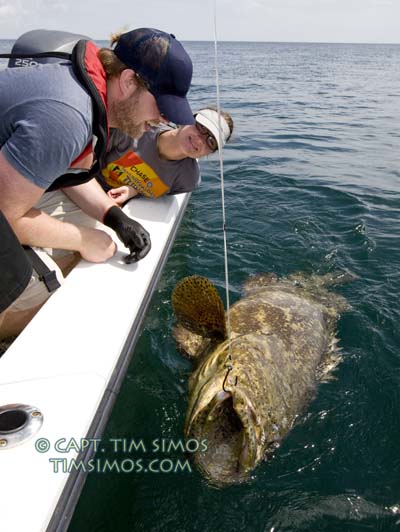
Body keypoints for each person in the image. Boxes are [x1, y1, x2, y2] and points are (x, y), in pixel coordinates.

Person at [0, 27, 194, 268]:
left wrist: (113, 216)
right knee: (36, 288)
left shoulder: (85, 94)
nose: (165, 119)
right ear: (128, 82)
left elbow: (65, 168)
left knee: (93, 224)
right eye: (162, 106)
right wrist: (82, 240)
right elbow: (4, 220)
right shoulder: (68, 118)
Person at [97, 107, 234, 204]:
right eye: (201, 127)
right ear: (186, 119)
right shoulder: (136, 127)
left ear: (210, 152)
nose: (199, 140)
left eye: (210, 142)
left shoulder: (188, 180)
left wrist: (132, 190)